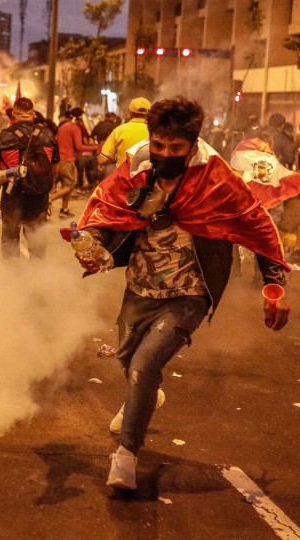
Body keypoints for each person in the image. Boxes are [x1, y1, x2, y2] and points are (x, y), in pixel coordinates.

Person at [72, 96, 290, 490]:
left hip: (190, 292)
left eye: (175, 148)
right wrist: (93, 243)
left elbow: (257, 225)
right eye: (159, 145)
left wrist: (273, 286)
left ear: (191, 145)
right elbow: (106, 209)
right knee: (128, 362)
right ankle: (146, 395)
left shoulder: (216, 177)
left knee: (143, 366)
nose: (164, 154)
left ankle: (125, 457)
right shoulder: (138, 166)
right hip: (140, 287)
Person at [0, 97, 59, 258]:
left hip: (13, 193)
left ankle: (12, 277)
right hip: (39, 194)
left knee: (10, 237)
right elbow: (54, 166)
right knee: (37, 238)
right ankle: (37, 276)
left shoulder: (4, 136)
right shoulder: (47, 135)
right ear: (32, 114)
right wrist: (47, 188)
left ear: (14, 114)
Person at [53, 107, 97, 218]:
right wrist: (96, 147)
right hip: (67, 160)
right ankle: (51, 199)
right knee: (69, 186)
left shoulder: (63, 126)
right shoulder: (75, 128)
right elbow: (79, 146)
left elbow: (56, 140)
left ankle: (64, 210)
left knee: (65, 185)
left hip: (58, 160)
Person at [98, 97, 151, 169]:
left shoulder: (119, 131)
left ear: (130, 112)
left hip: (124, 177)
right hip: (148, 177)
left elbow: (103, 159)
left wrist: (118, 159)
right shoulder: (154, 131)